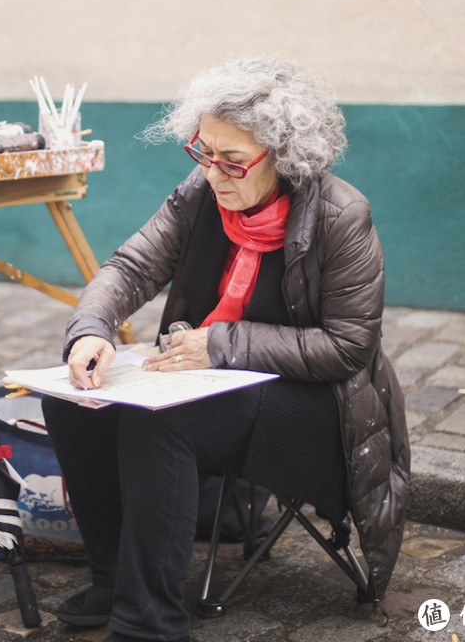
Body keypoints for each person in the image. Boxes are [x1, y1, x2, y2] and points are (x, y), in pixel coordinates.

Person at [42, 57, 410, 642]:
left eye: (233, 160)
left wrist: (219, 343)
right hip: (219, 379)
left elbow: (348, 348)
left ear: (285, 156)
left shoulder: (342, 215)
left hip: (316, 405)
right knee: (73, 401)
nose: (214, 173)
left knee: (158, 423)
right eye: (203, 152)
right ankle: (117, 580)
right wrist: (92, 328)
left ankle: (149, 624)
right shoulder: (199, 194)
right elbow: (132, 265)